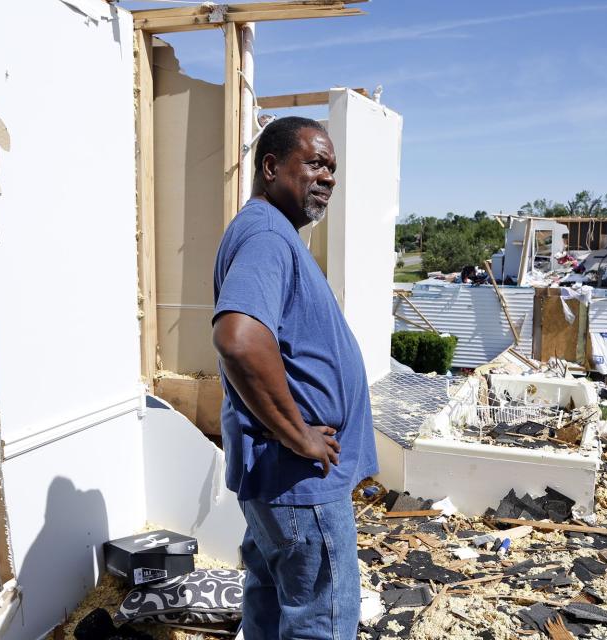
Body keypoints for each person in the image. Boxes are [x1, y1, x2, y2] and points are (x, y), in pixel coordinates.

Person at [211, 116, 378, 639]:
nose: (327, 177)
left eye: (332, 168)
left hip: (279, 483)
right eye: (314, 163)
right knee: (319, 624)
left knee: (269, 606)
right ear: (270, 167)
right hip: (298, 484)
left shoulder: (268, 232)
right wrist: (299, 434)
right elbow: (238, 339)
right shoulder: (266, 236)